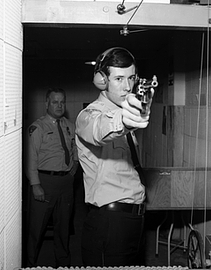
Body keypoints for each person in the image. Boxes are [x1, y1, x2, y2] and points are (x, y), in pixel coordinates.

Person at [75, 47, 155, 267]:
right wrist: (125, 120)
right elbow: (99, 128)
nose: (127, 86)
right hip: (110, 222)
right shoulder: (89, 115)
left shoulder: (124, 109)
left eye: (131, 78)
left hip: (131, 220)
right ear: (102, 81)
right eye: (118, 78)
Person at [25, 87, 78, 267]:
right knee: (36, 228)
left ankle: (63, 263)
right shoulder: (37, 127)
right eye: (55, 102)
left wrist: (72, 172)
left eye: (62, 102)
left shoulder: (70, 127)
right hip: (44, 182)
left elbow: (75, 152)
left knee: (63, 228)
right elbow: (30, 158)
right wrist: (35, 185)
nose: (59, 105)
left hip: (66, 183)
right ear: (47, 103)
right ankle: (29, 263)